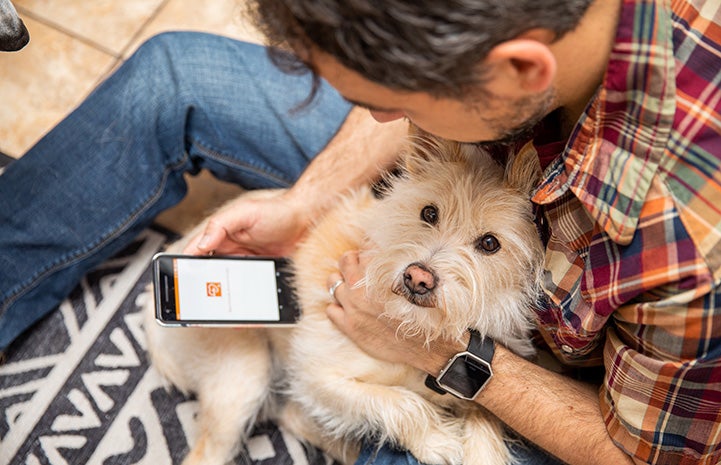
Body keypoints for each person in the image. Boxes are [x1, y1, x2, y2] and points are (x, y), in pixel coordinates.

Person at [0, 0, 718, 464]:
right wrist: (309, 202)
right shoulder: (499, 55)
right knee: (174, 72)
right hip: (462, 166)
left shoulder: (687, 241)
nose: (375, 123)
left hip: (589, 393)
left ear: (517, 73)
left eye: (383, 104)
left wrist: (442, 350)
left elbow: (640, 451)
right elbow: (405, 78)